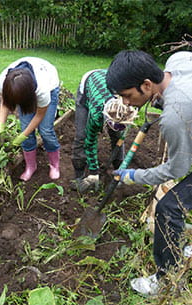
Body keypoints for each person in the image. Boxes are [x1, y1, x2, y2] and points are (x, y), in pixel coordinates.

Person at [106, 50, 192, 296]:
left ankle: (165, 280)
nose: (125, 103)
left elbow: (178, 169)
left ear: (146, 84)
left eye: (127, 96)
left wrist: (133, 176)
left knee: (169, 207)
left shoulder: (174, 117)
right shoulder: (177, 62)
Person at [71, 69, 137, 193]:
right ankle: (79, 175)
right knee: (81, 135)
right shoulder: (96, 113)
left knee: (117, 137)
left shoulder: (126, 106)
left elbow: (120, 135)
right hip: (88, 86)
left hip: (109, 80)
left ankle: (119, 172)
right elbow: (90, 141)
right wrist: (94, 172)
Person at [0, 57, 61, 181]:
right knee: (26, 128)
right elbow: (5, 102)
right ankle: (31, 166)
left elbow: (40, 115)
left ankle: (54, 165)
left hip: (49, 82)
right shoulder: (4, 82)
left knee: (46, 131)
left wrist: (22, 135)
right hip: (24, 89)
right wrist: (1, 125)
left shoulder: (42, 89)